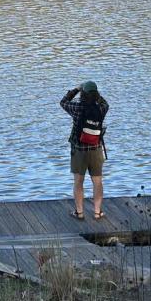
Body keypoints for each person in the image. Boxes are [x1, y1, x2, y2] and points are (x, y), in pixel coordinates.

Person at [60, 81, 109, 220]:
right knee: (97, 181)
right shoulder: (102, 108)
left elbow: (63, 102)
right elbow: (105, 103)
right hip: (96, 149)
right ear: (97, 94)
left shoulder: (77, 107)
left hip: (79, 150)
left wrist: (76, 89)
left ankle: (79, 213)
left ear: (83, 94)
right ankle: (97, 212)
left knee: (78, 181)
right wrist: (97, 96)